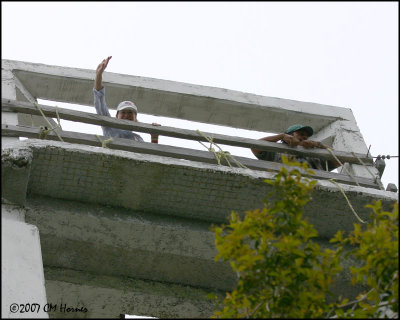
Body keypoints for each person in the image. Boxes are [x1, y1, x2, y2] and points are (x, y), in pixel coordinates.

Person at [93, 56, 160, 143]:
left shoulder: (138, 138)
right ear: (117, 116)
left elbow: (151, 155)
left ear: (135, 118)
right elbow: (100, 100)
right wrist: (99, 74)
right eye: (123, 112)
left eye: (130, 112)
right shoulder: (110, 128)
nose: (127, 115)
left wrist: (154, 137)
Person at [251, 124, 340, 171]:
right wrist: (281, 136)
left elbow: (339, 160)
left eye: (306, 136)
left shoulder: (314, 156)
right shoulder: (277, 151)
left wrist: (319, 145)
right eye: (301, 134)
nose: (304, 137)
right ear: (289, 135)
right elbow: (255, 147)